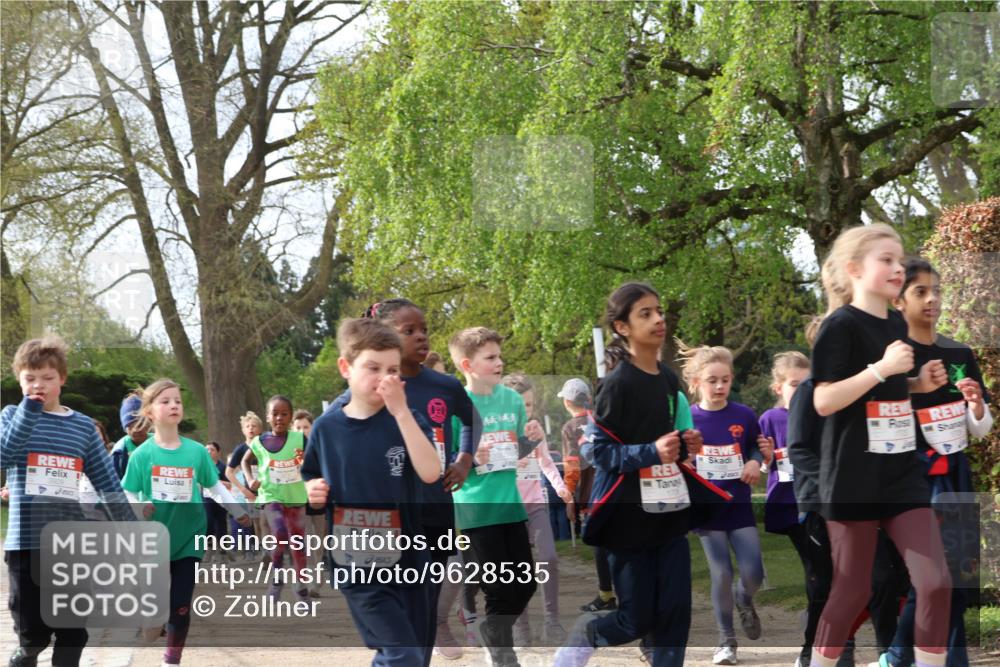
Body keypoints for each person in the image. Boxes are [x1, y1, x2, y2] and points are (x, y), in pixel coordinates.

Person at [554, 282, 725, 667]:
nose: (658, 319)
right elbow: (596, 451)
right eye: (645, 314)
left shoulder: (667, 379)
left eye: (659, 310)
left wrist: (685, 442)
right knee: (637, 619)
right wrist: (651, 451)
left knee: (676, 615)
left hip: (669, 511)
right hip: (626, 520)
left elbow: (662, 439)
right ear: (622, 327)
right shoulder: (617, 385)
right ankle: (589, 632)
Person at [808, 224, 952, 667]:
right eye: (886, 260)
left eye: (899, 259)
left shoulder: (894, 321)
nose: (898, 267)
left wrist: (914, 383)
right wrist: (881, 367)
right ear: (854, 269)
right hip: (852, 478)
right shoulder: (839, 325)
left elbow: (884, 394)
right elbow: (824, 399)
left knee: (936, 582)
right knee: (851, 591)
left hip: (900, 475)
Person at [328, 299, 480, 659]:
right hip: (389, 524)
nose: (422, 337)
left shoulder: (444, 385)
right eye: (409, 331)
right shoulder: (359, 396)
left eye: (424, 329)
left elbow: (473, 420)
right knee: (399, 618)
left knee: (425, 609)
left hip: (436, 513)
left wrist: (464, 460)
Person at [302, 318, 441, 667]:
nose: (384, 378)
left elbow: (430, 471)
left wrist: (401, 412)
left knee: (416, 657)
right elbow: (310, 478)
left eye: (393, 370)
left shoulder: (408, 419)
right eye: (373, 367)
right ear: (346, 368)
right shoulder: (326, 428)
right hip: (356, 564)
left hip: (410, 560)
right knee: (402, 655)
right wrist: (311, 490)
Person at [876, 258, 994, 667]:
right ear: (898, 300)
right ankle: (896, 654)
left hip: (955, 475)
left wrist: (976, 407)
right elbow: (869, 416)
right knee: (933, 580)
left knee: (958, 579)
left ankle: (942, 659)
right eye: (920, 292)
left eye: (936, 291)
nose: (932, 300)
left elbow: (979, 428)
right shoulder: (890, 357)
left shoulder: (958, 352)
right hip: (910, 479)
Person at [2, 335, 132, 667]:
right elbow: (4, 456)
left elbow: (107, 482)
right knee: (32, 639)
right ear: (19, 380)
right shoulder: (12, 416)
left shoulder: (84, 428)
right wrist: (29, 411)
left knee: (74, 633)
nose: (38, 385)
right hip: (26, 545)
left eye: (47, 377)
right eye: (30, 378)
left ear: (62, 379)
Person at [120, 379, 250, 667]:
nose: (174, 405)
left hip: (190, 539)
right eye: (165, 401)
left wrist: (237, 509)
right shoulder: (142, 456)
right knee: (154, 615)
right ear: (151, 412)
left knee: (180, 604)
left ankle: (171, 660)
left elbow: (214, 486)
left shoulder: (195, 452)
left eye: (177, 400)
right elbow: (127, 490)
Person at [448, 327, 540, 667]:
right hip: (476, 509)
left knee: (526, 584)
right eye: (491, 358)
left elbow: (513, 451)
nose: (499, 362)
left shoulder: (513, 401)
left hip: (511, 505)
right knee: (498, 588)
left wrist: (530, 441)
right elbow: (446, 462)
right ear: (468, 365)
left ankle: (492, 632)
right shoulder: (457, 405)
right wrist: (470, 458)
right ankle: (504, 655)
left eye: (500, 356)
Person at [680, 343, 771, 665]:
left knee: (753, 572)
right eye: (712, 381)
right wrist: (686, 463)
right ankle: (726, 642)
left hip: (739, 505)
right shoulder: (687, 417)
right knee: (720, 574)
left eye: (726, 380)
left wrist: (755, 463)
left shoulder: (744, 415)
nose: (720, 387)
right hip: (707, 509)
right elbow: (677, 457)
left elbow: (757, 450)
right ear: (695, 383)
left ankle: (744, 599)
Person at [504, 373, 575, 646]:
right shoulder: (499, 433)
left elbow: (546, 463)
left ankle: (551, 621)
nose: (525, 411)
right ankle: (521, 627)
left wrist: (560, 487)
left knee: (549, 557)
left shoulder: (535, 430)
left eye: (530, 405)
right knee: (517, 568)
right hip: (509, 509)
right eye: (519, 405)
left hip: (536, 504)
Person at [241, 395, 310, 600]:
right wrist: (250, 478)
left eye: (284, 414)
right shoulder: (258, 442)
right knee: (279, 532)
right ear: (268, 417)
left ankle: (301, 589)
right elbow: (245, 461)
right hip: (270, 495)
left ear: (290, 417)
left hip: (295, 496)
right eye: (275, 414)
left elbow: (312, 458)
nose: (279, 418)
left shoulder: (299, 439)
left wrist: (309, 472)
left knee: (297, 544)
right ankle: (277, 578)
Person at [292, 409, 324, 598]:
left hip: (318, 501)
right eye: (298, 428)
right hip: (297, 501)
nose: (302, 430)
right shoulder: (290, 449)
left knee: (317, 543)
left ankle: (316, 576)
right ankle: (304, 578)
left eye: (305, 427)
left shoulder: (320, 445)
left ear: (312, 428)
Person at [225, 411, 265, 560]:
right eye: (247, 426)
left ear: (260, 429)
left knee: (267, 520)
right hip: (250, 493)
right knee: (257, 522)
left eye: (254, 426)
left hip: (268, 490)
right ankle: (261, 549)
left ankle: (274, 549)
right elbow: (229, 472)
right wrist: (242, 489)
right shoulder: (240, 449)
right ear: (243, 430)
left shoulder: (266, 445)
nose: (251, 428)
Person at [202, 441, 232, 563]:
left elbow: (230, 485)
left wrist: (219, 483)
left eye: (212, 449)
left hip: (221, 500)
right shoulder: (201, 467)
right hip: (206, 499)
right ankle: (209, 550)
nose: (209, 452)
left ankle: (223, 552)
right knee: (208, 523)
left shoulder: (223, 467)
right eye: (207, 450)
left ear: (218, 452)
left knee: (221, 524)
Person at [111, 391, 150, 479]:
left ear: (148, 423)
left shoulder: (160, 445)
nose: (135, 430)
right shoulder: (118, 453)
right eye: (130, 426)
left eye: (139, 425)